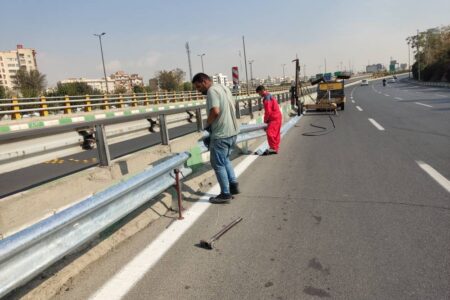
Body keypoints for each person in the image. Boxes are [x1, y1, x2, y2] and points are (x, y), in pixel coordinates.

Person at [192, 73, 240, 204]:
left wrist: (207, 124)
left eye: (198, 87)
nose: (198, 90)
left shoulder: (212, 91)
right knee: (225, 159)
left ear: (204, 81)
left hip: (221, 134)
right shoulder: (223, 88)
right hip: (233, 131)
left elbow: (215, 111)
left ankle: (225, 194)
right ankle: (233, 184)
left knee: (217, 164)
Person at [256, 85, 282, 155]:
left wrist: (265, 121)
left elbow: (268, 111)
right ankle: (275, 148)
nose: (259, 95)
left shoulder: (266, 98)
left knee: (270, 132)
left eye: (259, 93)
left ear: (261, 91)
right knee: (276, 133)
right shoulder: (269, 95)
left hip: (274, 118)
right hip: (278, 116)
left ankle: (273, 148)